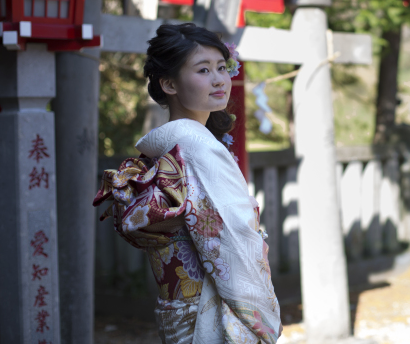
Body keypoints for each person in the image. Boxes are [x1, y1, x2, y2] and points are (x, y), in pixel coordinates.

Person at [94, 23, 281, 344]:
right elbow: (228, 235)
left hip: (178, 303)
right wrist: (259, 311)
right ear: (169, 84)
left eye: (222, 67)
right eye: (203, 70)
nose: (219, 79)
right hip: (213, 307)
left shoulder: (167, 144)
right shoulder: (194, 144)